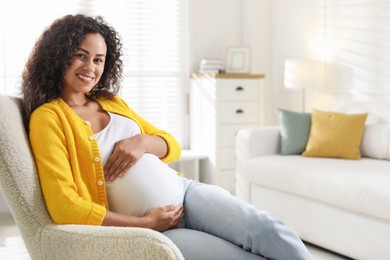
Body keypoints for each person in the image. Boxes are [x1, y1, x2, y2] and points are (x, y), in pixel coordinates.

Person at [21, 14, 312, 260]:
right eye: (81, 55)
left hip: (187, 192)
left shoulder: (109, 100)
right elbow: (66, 207)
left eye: (99, 59)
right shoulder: (48, 118)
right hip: (156, 229)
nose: (90, 68)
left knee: (266, 229)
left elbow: (167, 143)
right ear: (59, 55)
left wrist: (142, 143)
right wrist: (145, 223)